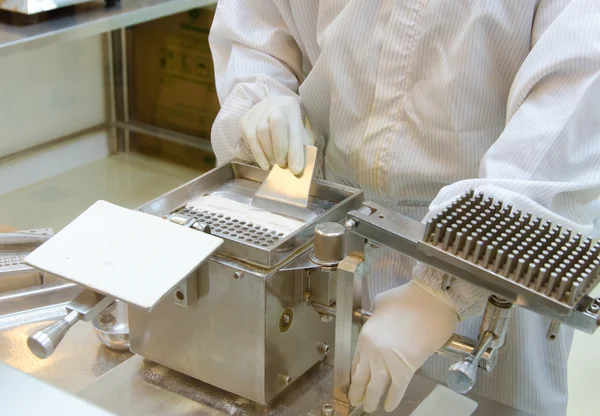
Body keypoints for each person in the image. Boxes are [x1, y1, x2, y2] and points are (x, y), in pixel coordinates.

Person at [208, 1, 600, 415]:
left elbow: (575, 102)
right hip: (333, 229)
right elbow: (257, 22)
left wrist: (446, 288)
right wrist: (264, 95)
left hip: (494, 269)